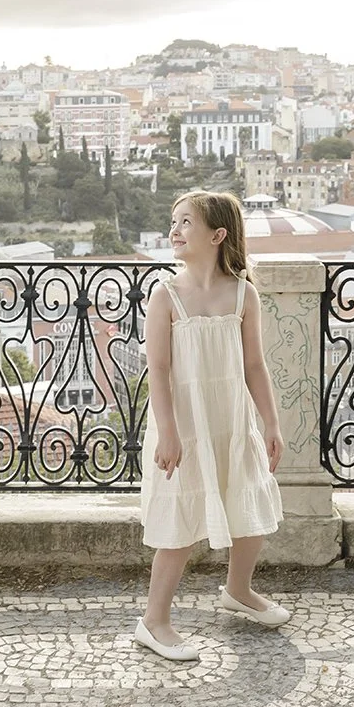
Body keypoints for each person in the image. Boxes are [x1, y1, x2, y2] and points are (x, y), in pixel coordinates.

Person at [135, 190, 288, 662]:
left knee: (249, 508)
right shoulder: (166, 294)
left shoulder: (243, 294)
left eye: (185, 223)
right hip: (183, 424)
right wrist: (168, 432)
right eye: (173, 221)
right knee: (179, 523)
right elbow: (157, 370)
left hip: (232, 420)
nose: (174, 231)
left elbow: (255, 365)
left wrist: (270, 423)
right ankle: (153, 621)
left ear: (217, 235)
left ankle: (238, 591)